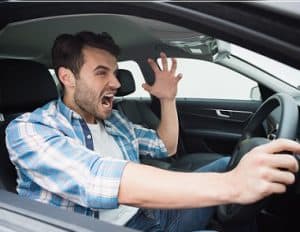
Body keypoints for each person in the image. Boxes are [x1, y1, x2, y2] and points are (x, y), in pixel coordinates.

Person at [5, 31, 300, 232]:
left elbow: (166, 146)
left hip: (148, 216)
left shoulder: (115, 121)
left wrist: (167, 99)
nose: (117, 83)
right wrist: (234, 185)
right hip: (103, 227)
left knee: (229, 164)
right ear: (67, 77)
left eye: (114, 71)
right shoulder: (30, 130)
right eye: (101, 73)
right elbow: (95, 178)